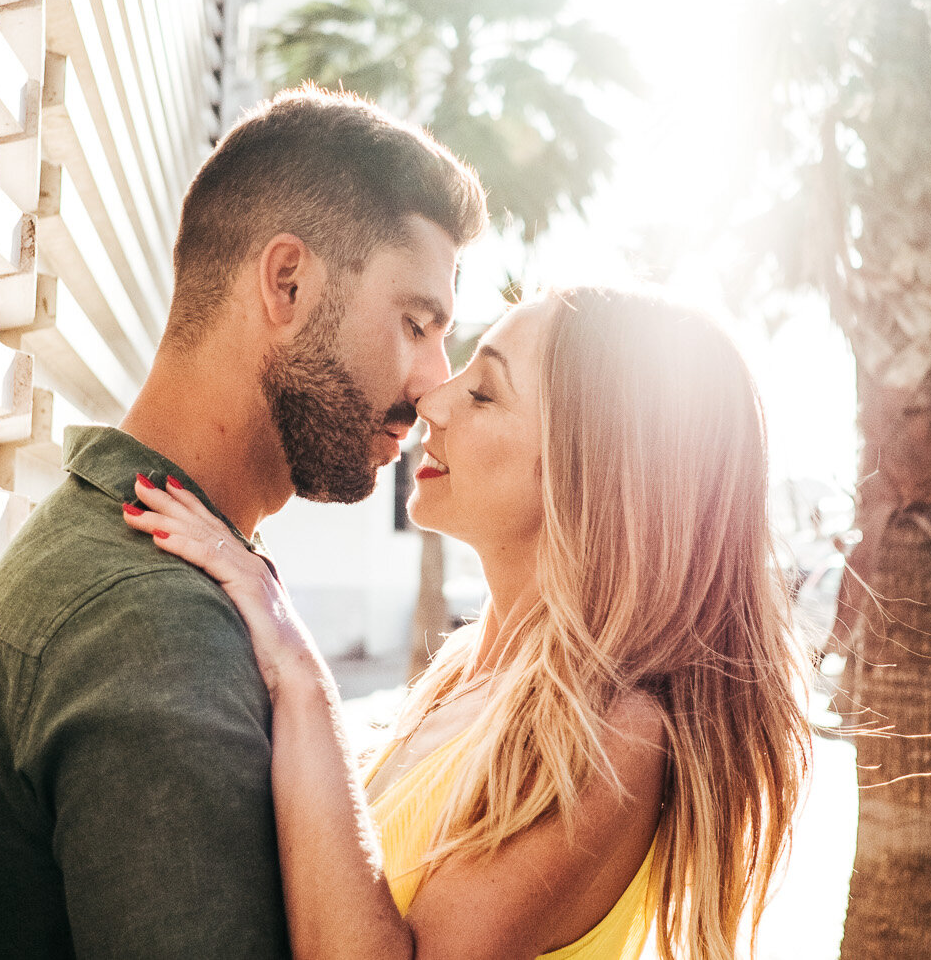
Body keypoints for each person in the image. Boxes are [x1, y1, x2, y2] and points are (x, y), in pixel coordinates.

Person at [0, 89, 488, 958]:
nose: (433, 384)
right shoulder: (153, 628)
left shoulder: (126, 543)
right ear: (287, 282)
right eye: (415, 323)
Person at [124, 285, 814, 960]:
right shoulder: (466, 672)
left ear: (585, 473)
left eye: (484, 392)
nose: (433, 399)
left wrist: (297, 669)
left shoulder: (614, 731)